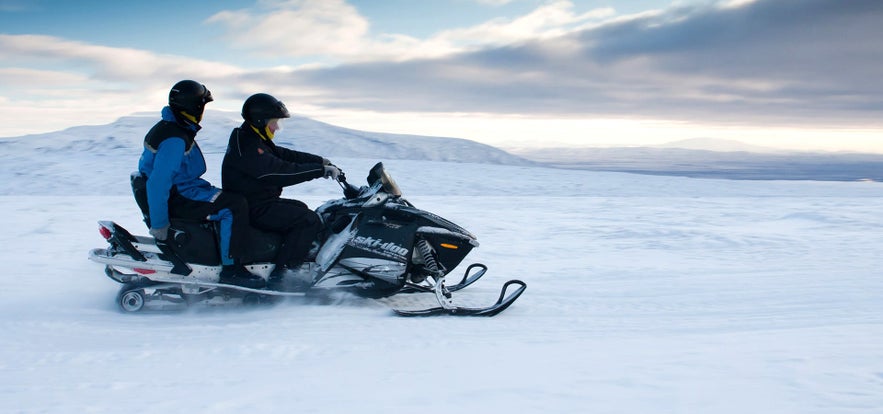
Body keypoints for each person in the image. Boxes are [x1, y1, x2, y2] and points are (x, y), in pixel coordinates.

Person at [137, 80, 265, 289]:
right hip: (179, 196)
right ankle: (232, 270)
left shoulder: (173, 128)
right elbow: (158, 182)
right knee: (234, 206)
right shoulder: (174, 138)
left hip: (182, 190)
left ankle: (217, 251)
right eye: (202, 106)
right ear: (193, 107)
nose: (203, 111)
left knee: (230, 198)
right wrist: (159, 224)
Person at [221, 93, 341, 287]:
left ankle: (282, 256)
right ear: (260, 120)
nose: (276, 127)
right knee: (308, 221)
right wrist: (319, 171)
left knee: (301, 208)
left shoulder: (251, 138)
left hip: (257, 201)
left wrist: (319, 161)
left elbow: (283, 154)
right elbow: (277, 171)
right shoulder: (248, 145)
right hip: (254, 206)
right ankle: (282, 276)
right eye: (274, 122)